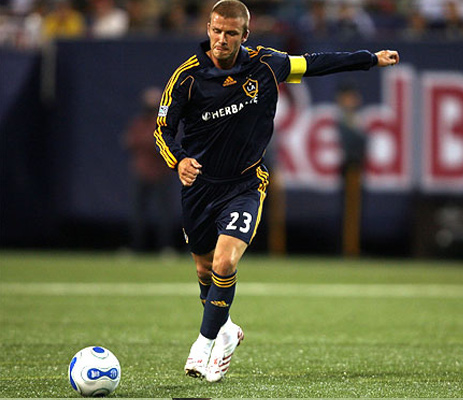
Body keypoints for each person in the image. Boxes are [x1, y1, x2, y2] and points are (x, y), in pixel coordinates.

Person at [153, 0, 399, 383]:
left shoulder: (266, 64)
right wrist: (178, 160)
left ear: (245, 35)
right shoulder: (186, 77)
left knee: (224, 263)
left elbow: (315, 63)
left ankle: (203, 345)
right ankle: (226, 330)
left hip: (245, 184)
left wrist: (369, 59)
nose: (221, 39)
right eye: (216, 31)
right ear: (208, 29)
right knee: (204, 268)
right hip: (200, 188)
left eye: (231, 33)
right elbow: (163, 129)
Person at [124, 87, 176, 254]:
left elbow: (164, 145)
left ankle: (166, 247)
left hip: (161, 173)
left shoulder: (165, 122)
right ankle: (135, 247)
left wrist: (151, 144)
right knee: (138, 212)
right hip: (142, 172)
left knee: (165, 213)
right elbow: (129, 141)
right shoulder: (139, 122)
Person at [336, 81, 366, 257]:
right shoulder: (344, 119)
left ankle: (352, 247)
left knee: (354, 210)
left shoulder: (353, 118)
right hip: (349, 168)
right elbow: (357, 142)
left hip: (355, 167)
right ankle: (349, 248)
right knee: (349, 210)